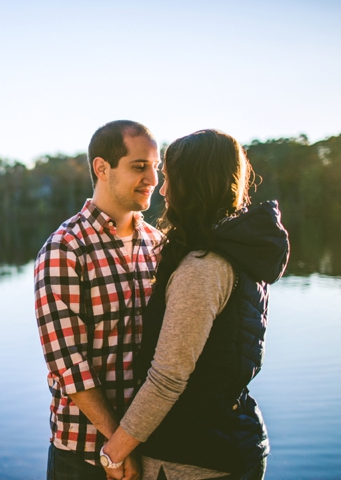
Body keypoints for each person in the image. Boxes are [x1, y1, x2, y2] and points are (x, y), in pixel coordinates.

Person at [100, 130, 289, 480]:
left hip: (196, 457)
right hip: (228, 442)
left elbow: (168, 378)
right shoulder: (240, 249)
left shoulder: (202, 268)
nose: (163, 189)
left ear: (193, 184)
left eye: (170, 178)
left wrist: (115, 452)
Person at [34, 120, 164, 480]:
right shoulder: (65, 249)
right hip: (85, 457)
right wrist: (117, 446)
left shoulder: (158, 244)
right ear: (102, 168)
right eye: (140, 167)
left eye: (156, 167)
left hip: (150, 449)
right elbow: (69, 366)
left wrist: (131, 442)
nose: (153, 179)